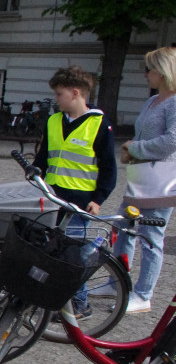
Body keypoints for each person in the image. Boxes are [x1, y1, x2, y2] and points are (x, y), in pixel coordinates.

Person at [32, 66, 116, 318]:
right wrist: (35, 173)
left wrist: (98, 200)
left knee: (73, 255)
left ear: (76, 93)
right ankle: (52, 299)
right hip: (51, 197)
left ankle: (80, 305)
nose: (55, 99)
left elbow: (109, 168)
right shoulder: (54, 121)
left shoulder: (99, 124)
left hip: (80, 202)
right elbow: (44, 156)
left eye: (59, 94)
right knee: (49, 249)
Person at [113, 46, 176, 314]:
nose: (146, 73)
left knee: (151, 237)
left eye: (149, 68)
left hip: (161, 180)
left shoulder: (174, 102)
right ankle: (116, 280)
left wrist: (135, 149)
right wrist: (132, 150)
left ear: (162, 71)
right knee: (123, 228)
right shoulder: (152, 101)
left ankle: (143, 293)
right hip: (141, 176)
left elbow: (172, 141)